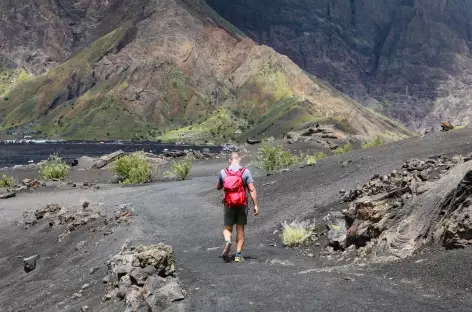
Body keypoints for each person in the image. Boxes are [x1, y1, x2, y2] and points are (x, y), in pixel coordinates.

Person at [217, 151, 258, 262]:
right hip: (241, 204)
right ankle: (238, 255)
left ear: (229, 160)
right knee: (240, 229)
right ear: (239, 159)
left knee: (227, 228)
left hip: (228, 204)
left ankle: (227, 241)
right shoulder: (245, 172)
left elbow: (218, 187)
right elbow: (251, 189)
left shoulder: (223, 172)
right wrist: (255, 205)